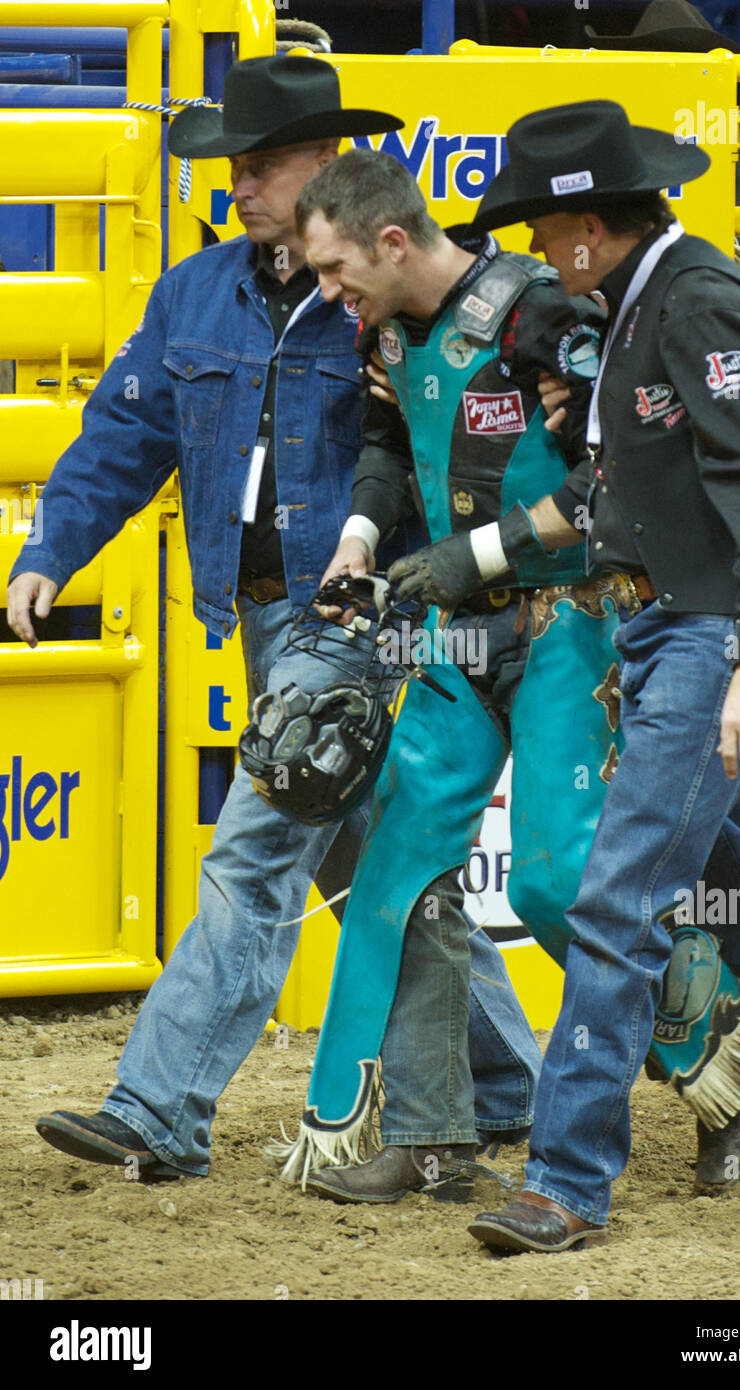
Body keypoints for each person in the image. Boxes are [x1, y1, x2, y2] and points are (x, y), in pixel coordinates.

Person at [4, 55, 541, 1182]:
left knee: (255, 853)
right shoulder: (196, 291)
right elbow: (121, 434)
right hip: (268, 616)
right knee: (370, 857)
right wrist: (50, 549)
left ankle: (158, 1105)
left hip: (358, 612)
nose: (237, 188)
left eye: (258, 167)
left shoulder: (383, 299)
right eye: (234, 170)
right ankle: (502, 1081)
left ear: (328, 169)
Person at [386, 99, 740, 1250]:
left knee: (614, 901)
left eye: (547, 238)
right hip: (670, 637)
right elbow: (674, 492)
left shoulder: (691, 304)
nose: (543, 259)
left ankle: (565, 1181)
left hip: (704, 641)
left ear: (586, 228)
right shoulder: (649, 304)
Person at [266, 145, 740, 1204]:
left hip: (568, 625)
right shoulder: (388, 331)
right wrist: (361, 535)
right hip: (453, 638)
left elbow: (616, 472)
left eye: (330, 270)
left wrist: (476, 554)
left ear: (391, 242)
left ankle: (702, 1044)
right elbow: (389, 441)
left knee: (556, 883)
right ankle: (426, 1133)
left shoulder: (543, 316)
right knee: (394, 872)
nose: (322, 293)